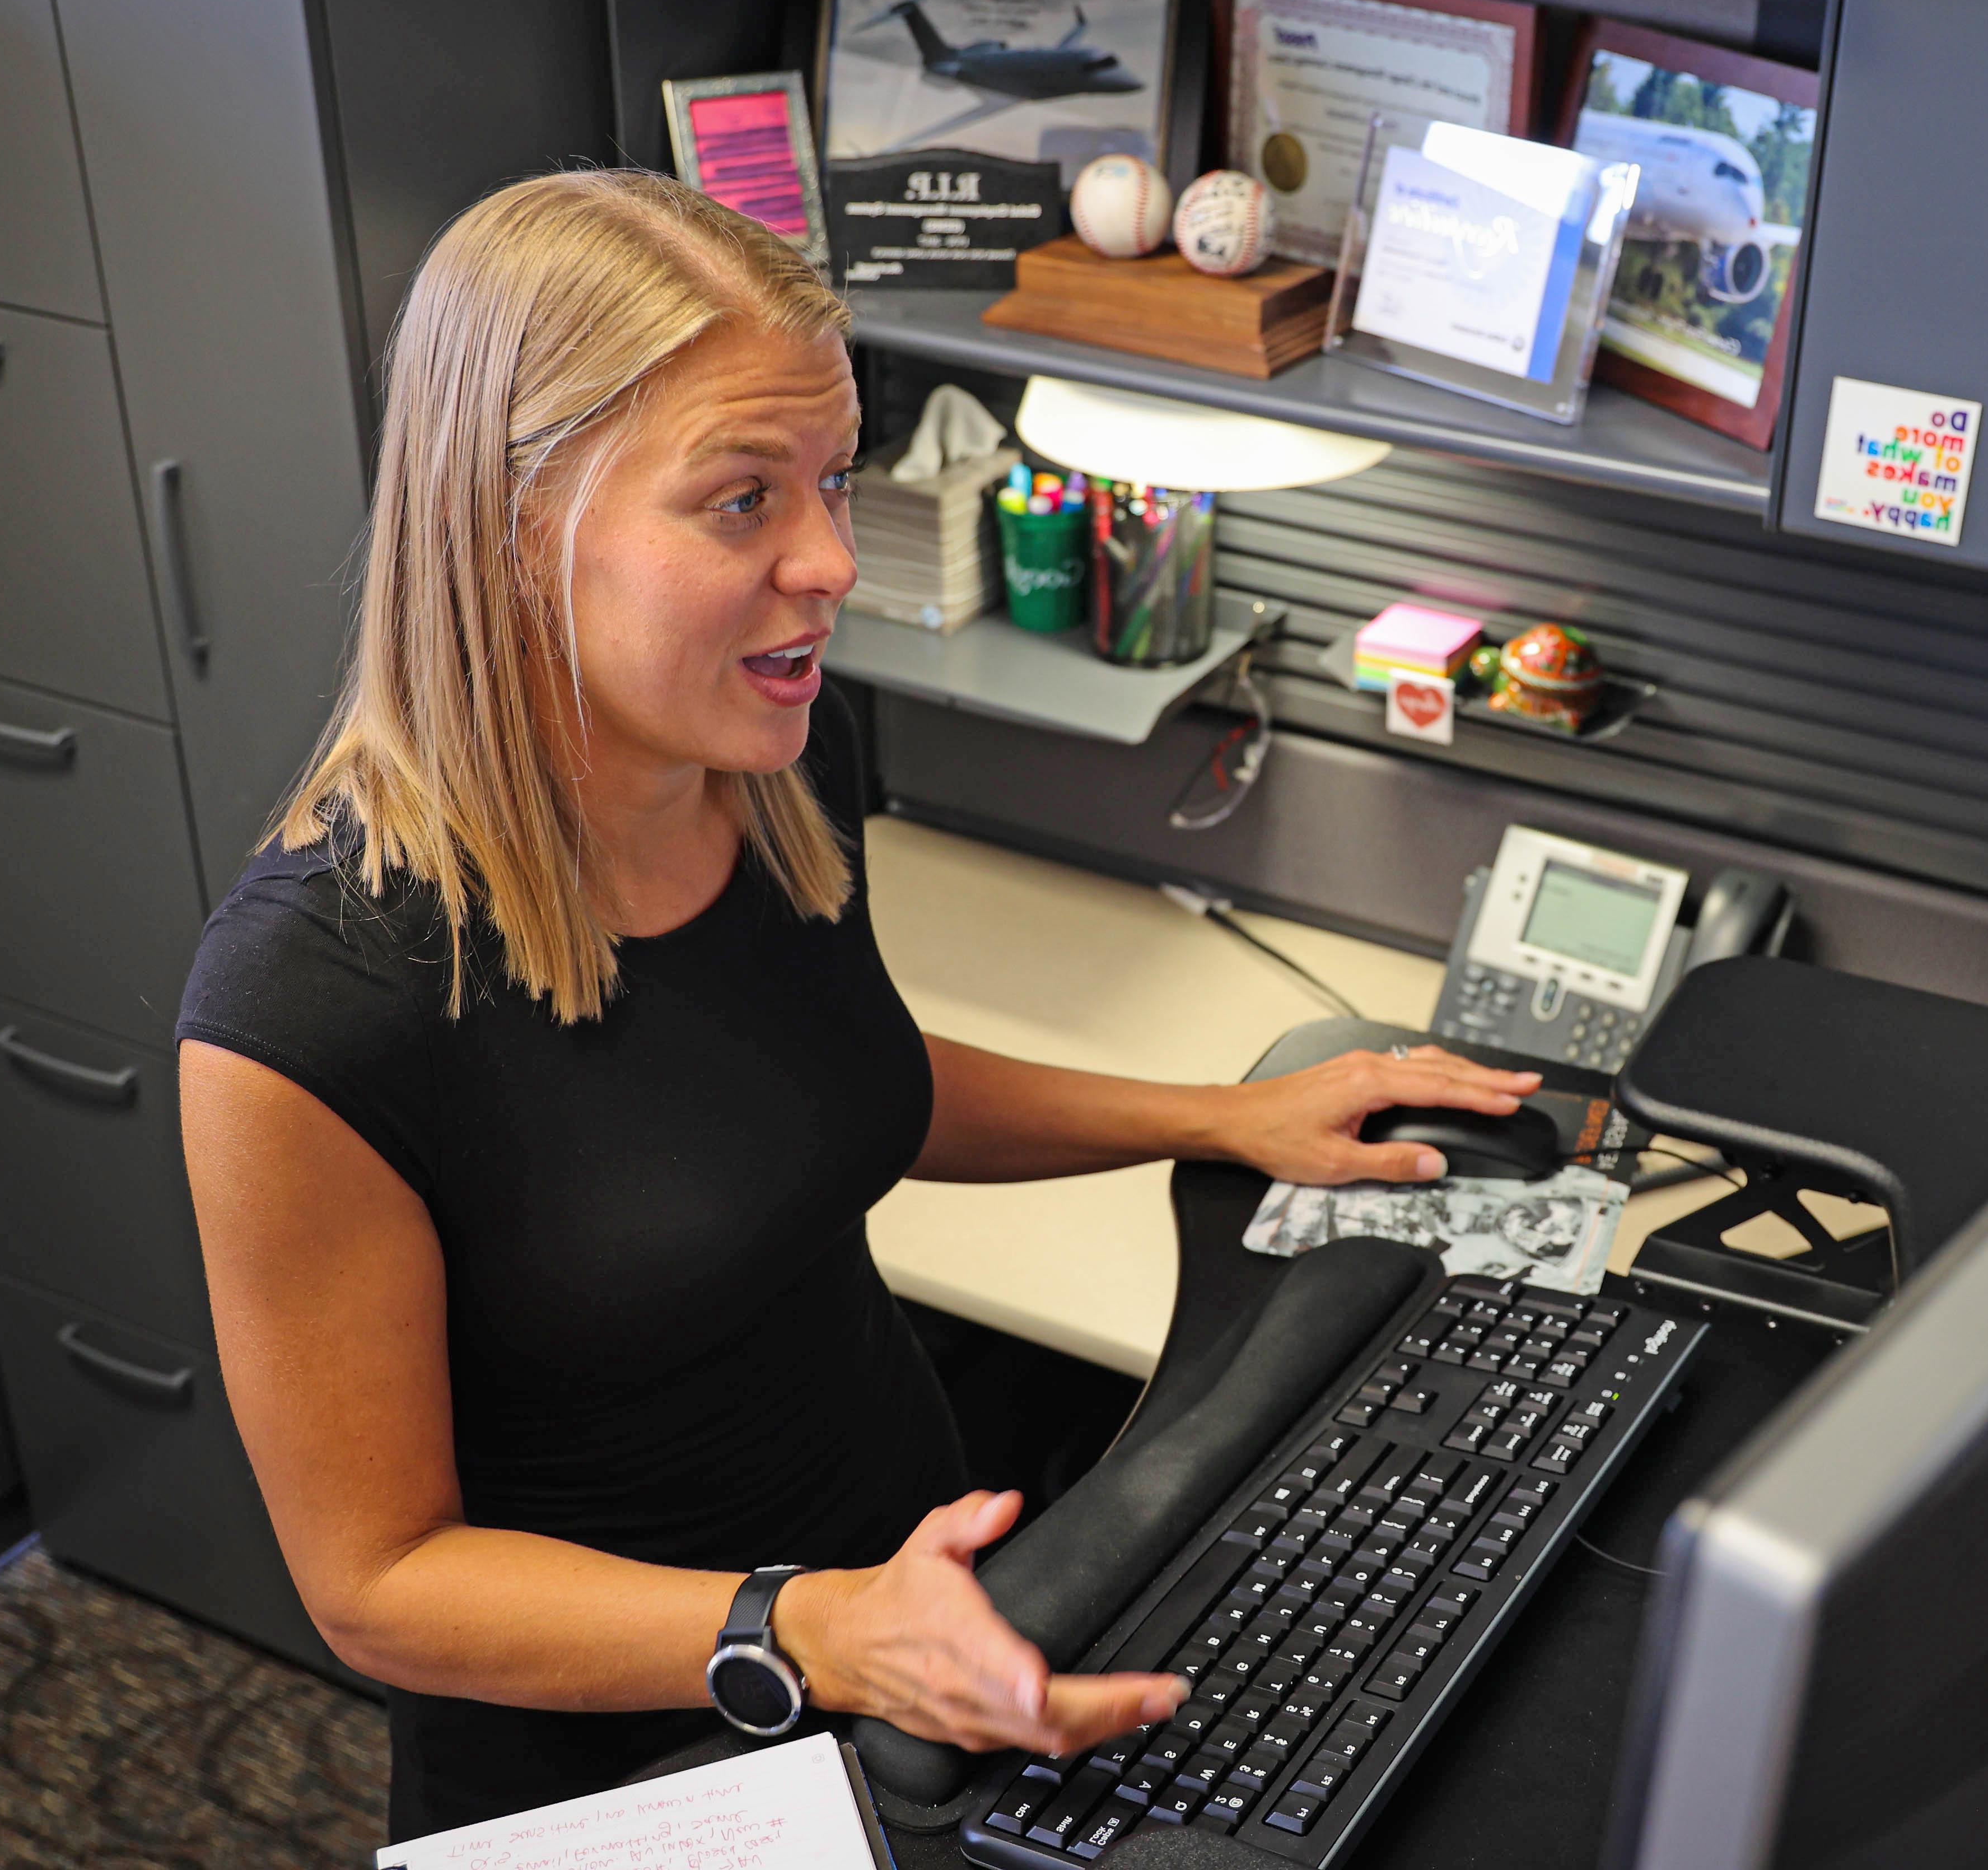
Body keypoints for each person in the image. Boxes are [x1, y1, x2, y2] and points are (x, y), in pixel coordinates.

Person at [174, 169, 1539, 1840]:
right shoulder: (311, 1001)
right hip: (640, 1755)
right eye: (742, 501)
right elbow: (380, 1583)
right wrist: (806, 1629)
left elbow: (832, 1089)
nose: (830, 559)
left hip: (908, 1626)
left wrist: (1216, 1116)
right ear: (517, 521)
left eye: (831, 479)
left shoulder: (736, 776)